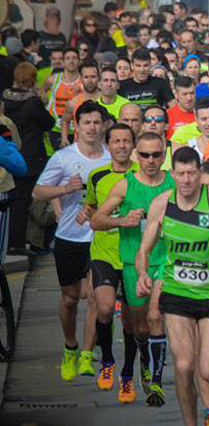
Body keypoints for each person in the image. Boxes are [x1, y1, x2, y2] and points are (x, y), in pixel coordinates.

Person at [135, 146, 209, 426]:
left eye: (192, 173)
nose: (187, 180)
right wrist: (143, 274)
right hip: (176, 292)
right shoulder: (162, 204)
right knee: (183, 365)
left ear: (200, 173)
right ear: (173, 174)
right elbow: (144, 249)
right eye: (181, 174)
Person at [91, 132, 175, 407]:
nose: (151, 160)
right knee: (140, 327)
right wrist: (123, 221)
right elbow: (96, 220)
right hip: (133, 263)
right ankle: (144, 356)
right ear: (137, 155)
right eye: (145, 155)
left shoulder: (175, 183)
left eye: (156, 155)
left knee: (155, 318)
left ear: (164, 155)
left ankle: (157, 381)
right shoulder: (125, 186)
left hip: (167, 262)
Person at [33, 101, 111, 381]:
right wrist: (66, 188)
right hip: (69, 237)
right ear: (76, 126)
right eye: (86, 122)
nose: (92, 127)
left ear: (103, 126)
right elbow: (37, 192)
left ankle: (88, 354)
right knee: (70, 298)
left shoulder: (111, 158)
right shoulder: (63, 158)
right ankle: (71, 347)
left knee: (93, 296)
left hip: (99, 238)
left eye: (96, 122)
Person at [84, 123, 140, 402]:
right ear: (108, 145)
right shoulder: (97, 175)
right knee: (105, 308)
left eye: (126, 141)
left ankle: (127, 376)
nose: (121, 145)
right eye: (115, 141)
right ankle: (107, 359)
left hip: (132, 254)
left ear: (133, 144)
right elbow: (93, 210)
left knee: (130, 322)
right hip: (103, 252)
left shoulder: (141, 176)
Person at [2, 61, 55, 255]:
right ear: (32, 79)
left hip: (10, 155)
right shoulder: (33, 102)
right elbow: (49, 123)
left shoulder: (5, 99)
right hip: (31, 157)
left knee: (15, 199)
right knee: (28, 201)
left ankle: (14, 241)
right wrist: (42, 98)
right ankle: (20, 243)